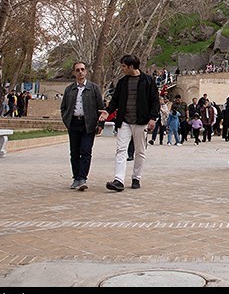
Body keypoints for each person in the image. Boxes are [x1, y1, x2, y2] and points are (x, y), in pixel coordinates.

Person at [99, 54, 161, 191]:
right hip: (125, 121)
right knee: (121, 150)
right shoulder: (122, 82)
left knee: (140, 151)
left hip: (141, 121)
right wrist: (107, 111)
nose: (122, 69)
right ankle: (118, 180)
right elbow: (115, 100)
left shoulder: (148, 81)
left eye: (123, 66)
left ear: (131, 66)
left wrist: (152, 118)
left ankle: (136, 177)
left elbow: (155, 101)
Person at [60, 61, 105, 191]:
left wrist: (100, 124)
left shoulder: (94, 88)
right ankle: (76, 178)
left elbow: (100, 108)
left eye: (82, 69)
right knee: (74, 152)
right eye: (77, 70)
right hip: (74, 124)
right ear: (74, 72)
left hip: (88, 124)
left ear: (86, 71)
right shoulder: (69, 89)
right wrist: (66, 120)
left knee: (85, 151)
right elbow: (63, 107)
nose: (80, 72)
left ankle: (82, 178)